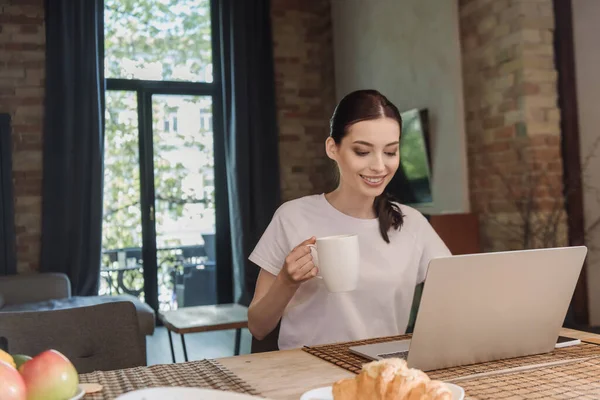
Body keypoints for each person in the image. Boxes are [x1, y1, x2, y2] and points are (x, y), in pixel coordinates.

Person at [247, 89, 451, 350]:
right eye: (362, 152)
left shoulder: (413, 224)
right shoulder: (292, 217)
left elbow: (457, 296)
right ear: (333, 148)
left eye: (390, 152)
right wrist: (287, 280)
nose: (379, 166)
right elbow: (257, 327)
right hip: (306, 374)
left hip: (380, 375)